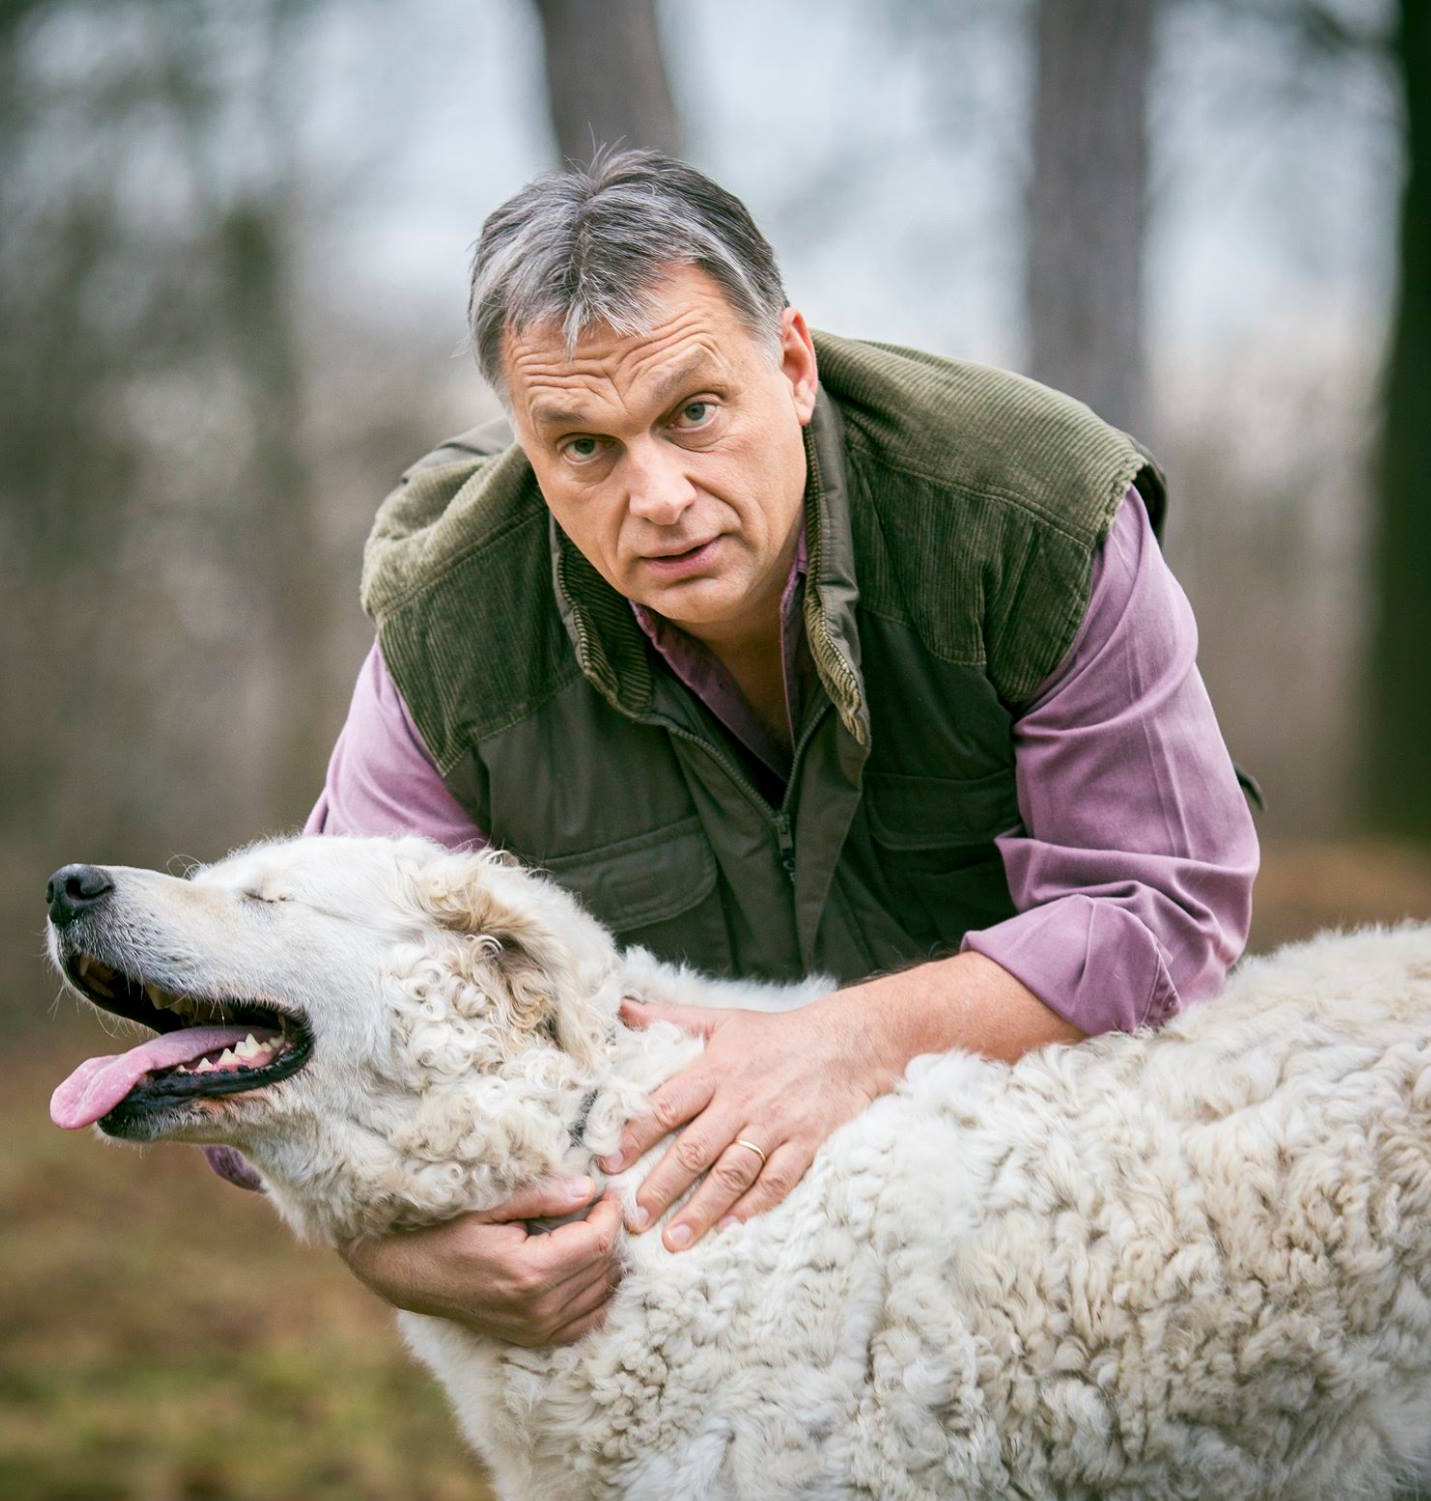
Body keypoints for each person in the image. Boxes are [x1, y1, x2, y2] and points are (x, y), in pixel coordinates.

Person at [232, 149, 1259, 1349]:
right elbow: (305, 984)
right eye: (582, 447)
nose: (657, 493)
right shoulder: (452, 627)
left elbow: (1163, 904)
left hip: (1055, 1203)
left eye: (692, 413)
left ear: (791, 362)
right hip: (698, 1292)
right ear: (523, 438)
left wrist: (851, 1043)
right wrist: (389, 1250)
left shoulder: (1028, 515)